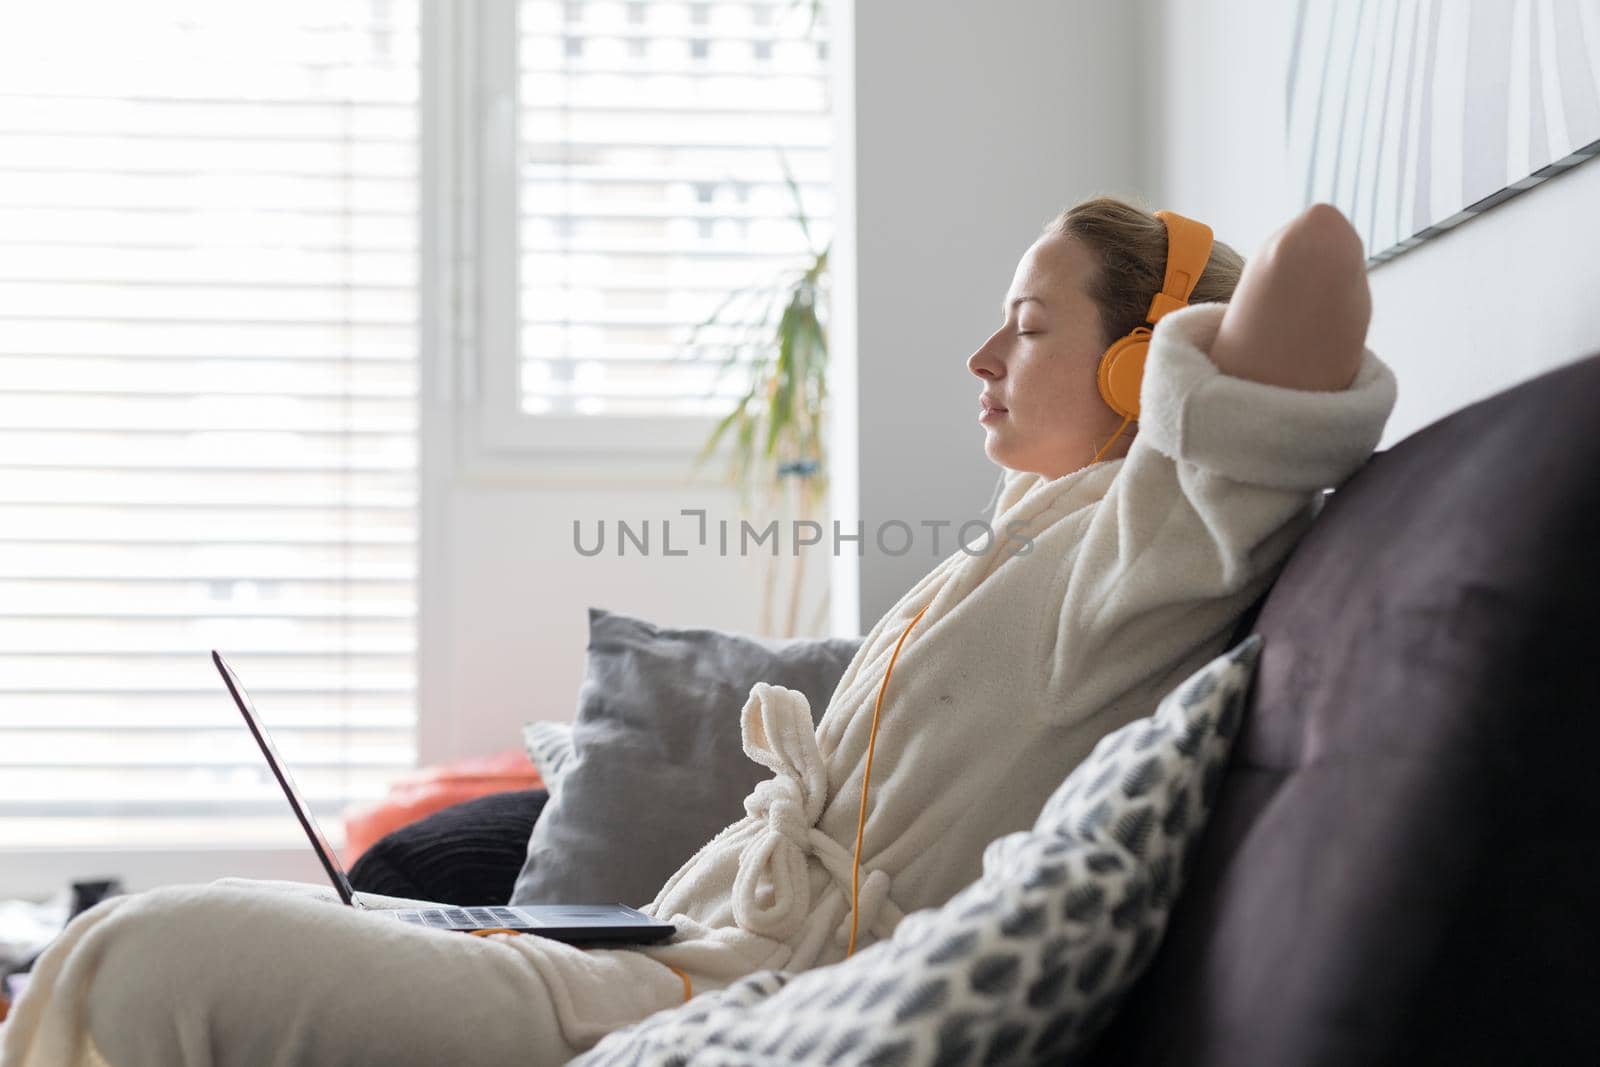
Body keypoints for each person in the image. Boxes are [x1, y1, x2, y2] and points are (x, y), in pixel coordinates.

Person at [0, 197, 1397, 1067]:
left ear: (1139, 362)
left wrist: (1186, 381)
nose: (980, 360)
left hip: (719, 1006)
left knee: (143, 957)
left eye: (1026, 329)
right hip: (658, 953)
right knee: (120, 951)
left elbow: (1318, 260)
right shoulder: (1009, 548)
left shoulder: (1143, 549)